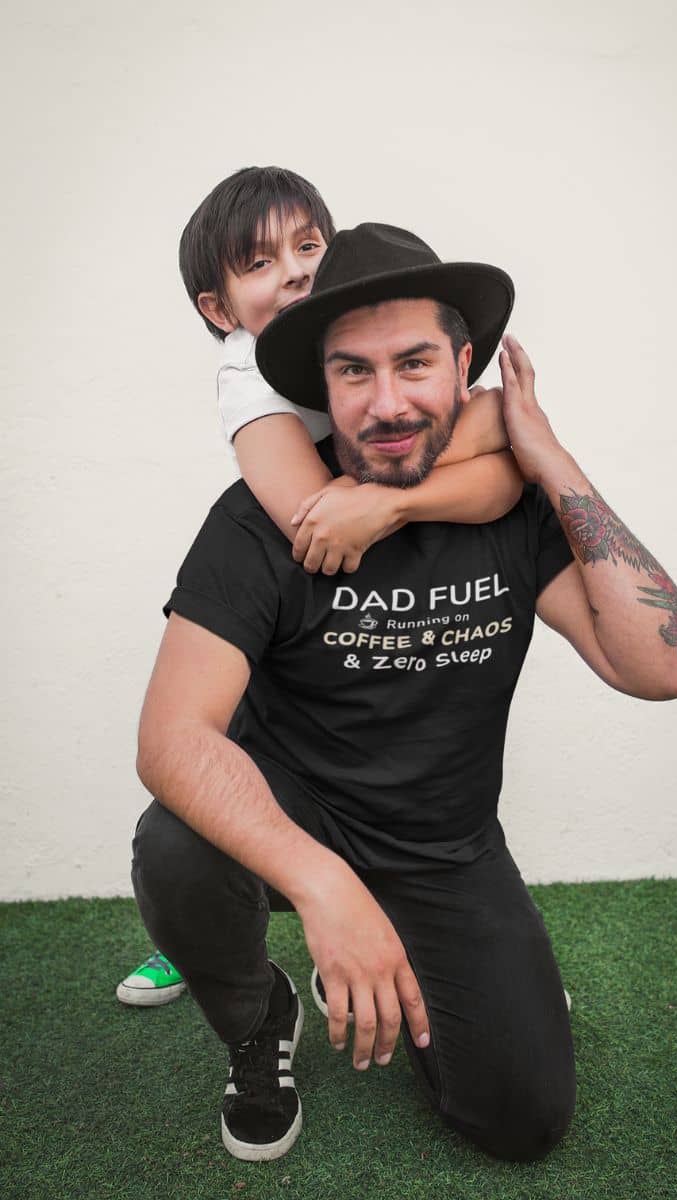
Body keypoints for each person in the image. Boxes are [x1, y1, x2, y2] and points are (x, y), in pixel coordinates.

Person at [131, 223, 677, 1164]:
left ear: (466, 366)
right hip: (298, 818)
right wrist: (324, 887)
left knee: (521, 1121)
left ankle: (423, 962)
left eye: (415, 364)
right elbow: (169, 739)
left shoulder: (512, 510)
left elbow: (662, 667)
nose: (387, 402)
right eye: (354, 372)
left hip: (445, 847)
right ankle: (259, 1016)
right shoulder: (261, 522)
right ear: (321, 385)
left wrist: (549, 457)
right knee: (174, 841)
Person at [117, 168, 522, 1005]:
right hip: (291, 683)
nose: (297, 270)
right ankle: (215, 948)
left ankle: (473, 951)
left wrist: (385, 503)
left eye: (310, 246)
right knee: (206, 827)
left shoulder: (371, 346)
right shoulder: (249, 378)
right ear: (218, 309)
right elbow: (310, 520)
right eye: (260, 262)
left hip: (390, 743)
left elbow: (503, 470)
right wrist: (385, 491)